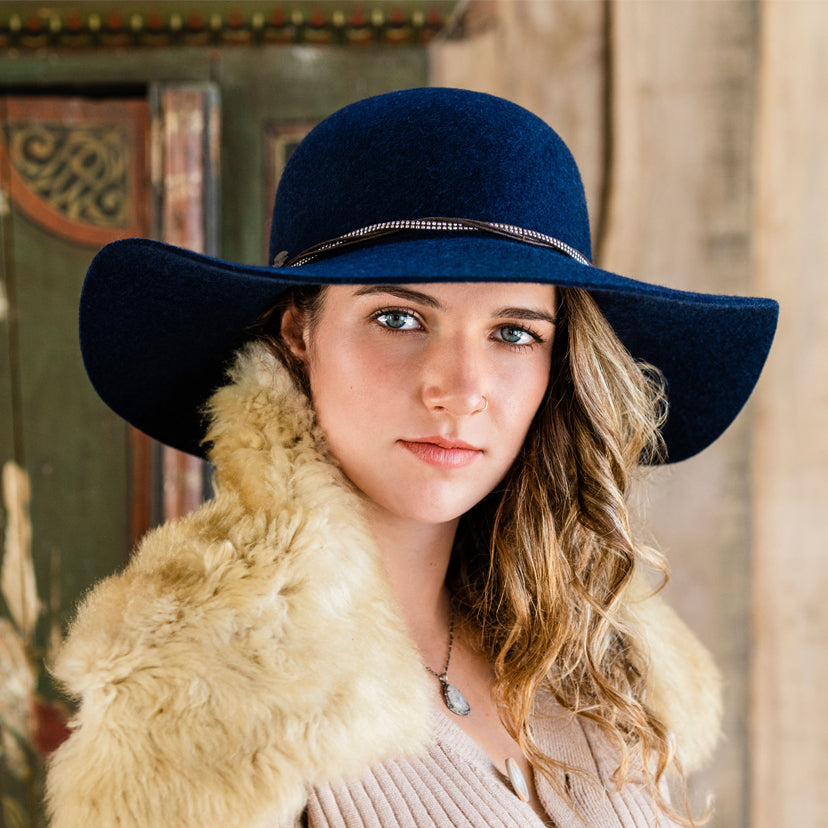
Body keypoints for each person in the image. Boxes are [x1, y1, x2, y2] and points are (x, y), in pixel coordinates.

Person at [46, 88, 777, 828]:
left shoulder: (594, 654)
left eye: (515, 332)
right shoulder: (201, 693)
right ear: (300, 332)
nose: (459, 391)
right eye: (398, 318)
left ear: (559, 361)